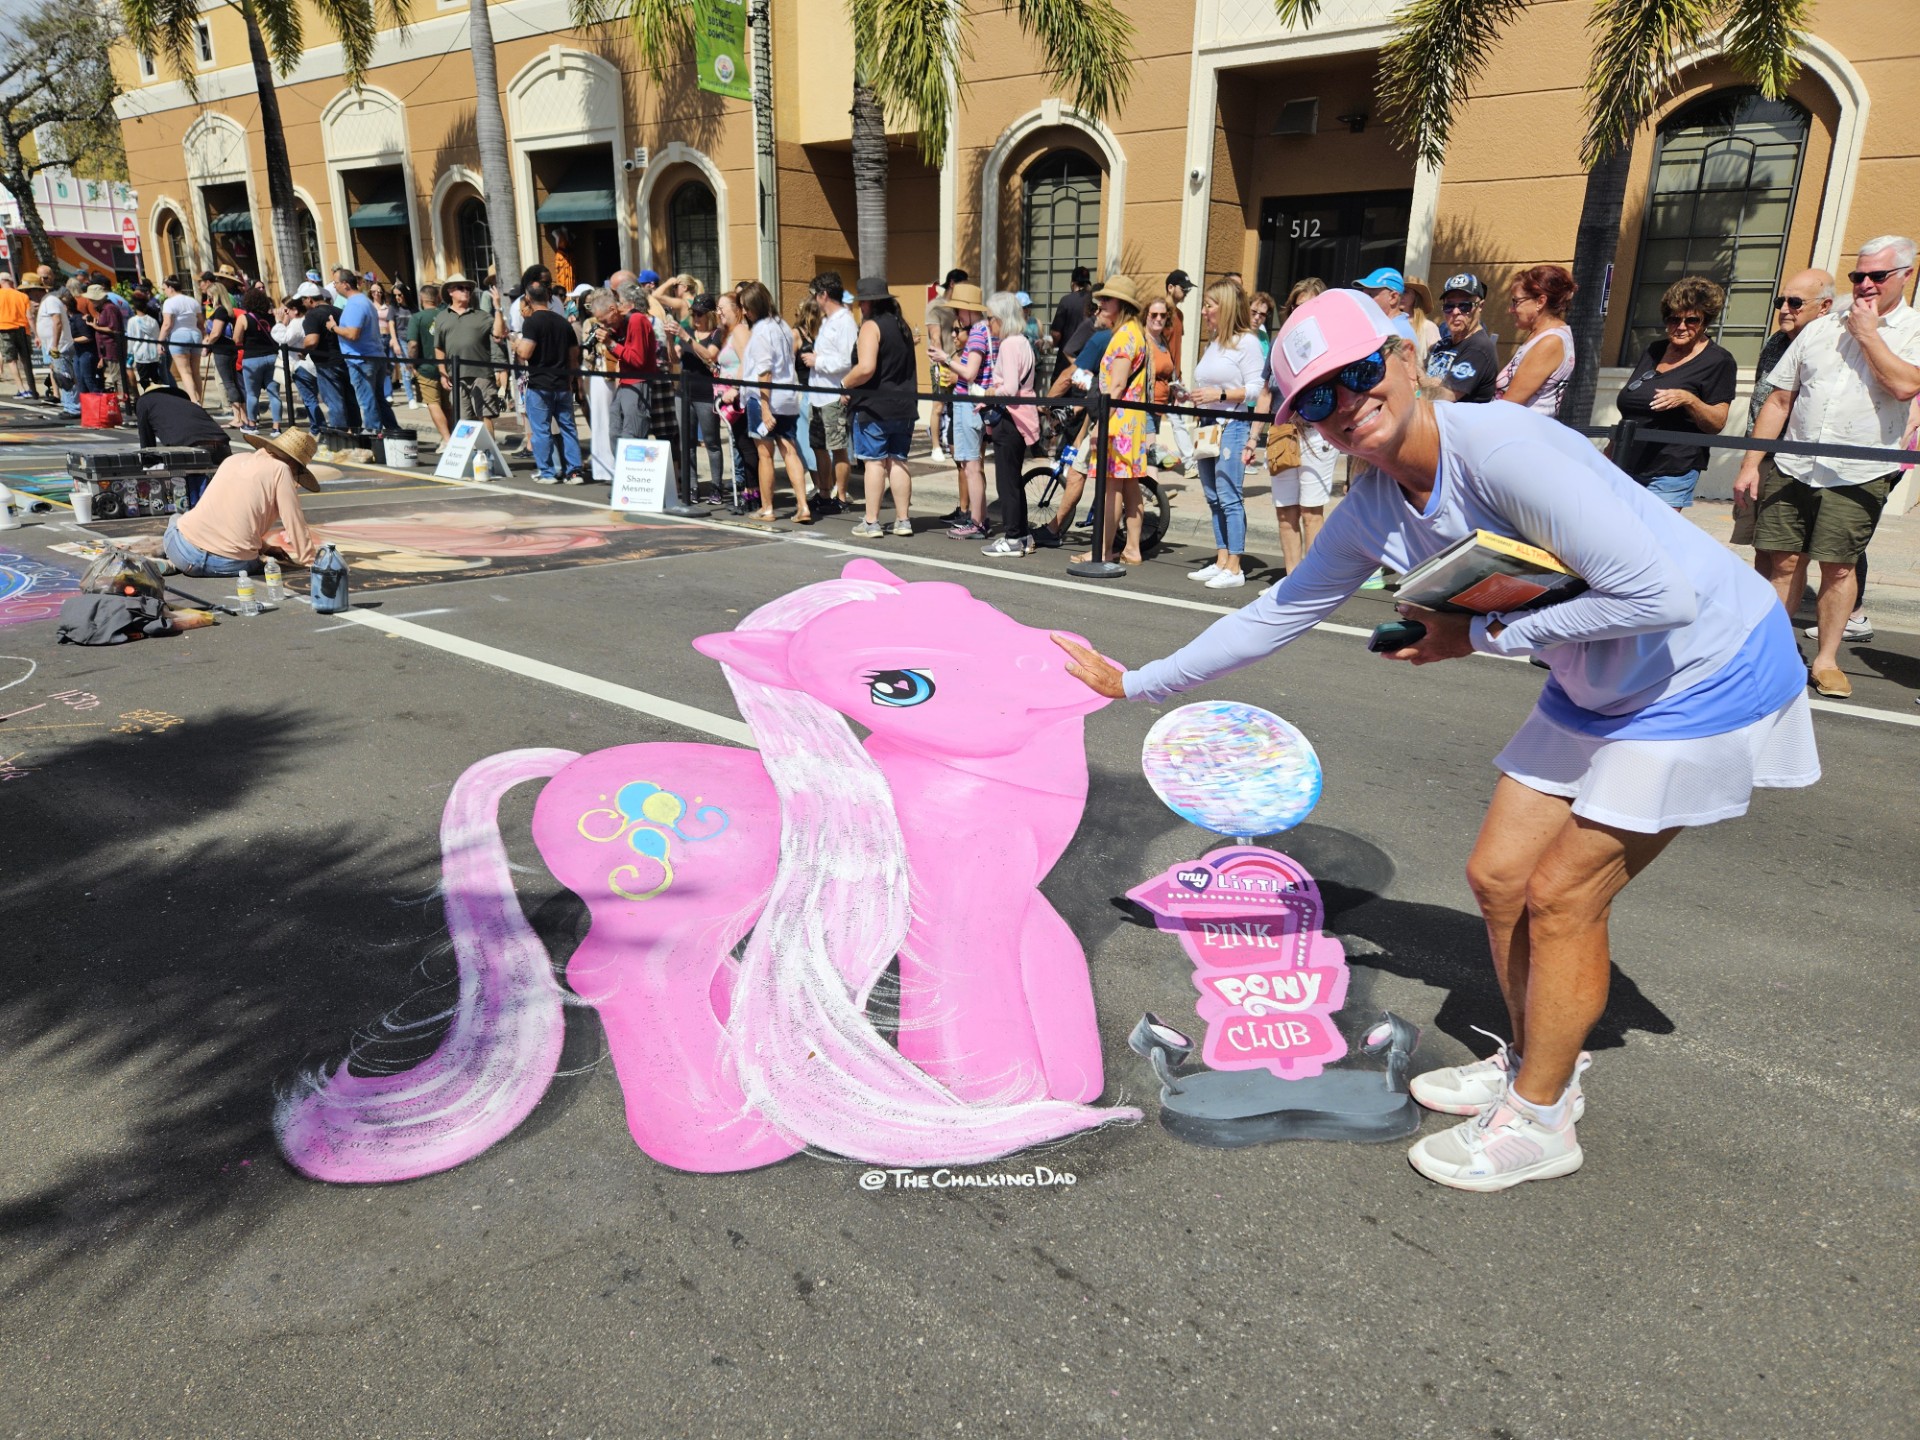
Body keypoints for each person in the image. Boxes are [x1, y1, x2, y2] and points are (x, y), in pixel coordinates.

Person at [1052, 288, 1819, 1193]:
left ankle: (1539, 1121)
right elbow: (1278, 612)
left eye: (1360, 373)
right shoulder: (1377, 501)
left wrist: (1478, 637)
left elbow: (1664, 598)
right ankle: (1540, 1062)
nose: (1344, 405)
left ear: (1407, 360)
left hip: (1704, 671)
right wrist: (1136, 682)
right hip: (1598, 677)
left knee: (1562, 896)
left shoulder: (1504, 449)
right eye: (1313, 399)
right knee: (1500, 877)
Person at [1738, 237, 1920, 700]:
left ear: (1905, 275)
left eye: (1876, 276)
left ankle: (1826, 661)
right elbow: (1780, 399)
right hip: (1794, 462)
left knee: (1838, 569)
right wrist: (1751, 464)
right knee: (1782, 561)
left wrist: (1867, 333)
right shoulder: (1820, 328)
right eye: (1858, 275)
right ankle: (1773, 653)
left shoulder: (1912, 330)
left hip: (1857, 471)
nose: (1864, 284)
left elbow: (1903, 386)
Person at [1610, 276, 1735, 509]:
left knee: (1653, 537)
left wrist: (1689, 400)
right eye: (1673, 319)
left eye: (1691, 320)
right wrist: (1608, 457)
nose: (1680, 326)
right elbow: (1631, 411)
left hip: (1671, 469)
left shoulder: (1718, 360)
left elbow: (1717, 422)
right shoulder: (1654, 350)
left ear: (1706, 321)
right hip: (1625, 462)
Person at [1248, 277, 1333, 578]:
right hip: (1282, 432)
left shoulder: (1330, 343)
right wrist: (1252, 439)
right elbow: (1265, 392)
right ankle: (1292, 580)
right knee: (1285, 512)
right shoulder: (1280, 341)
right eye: (1296, 306)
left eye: (1308, 306)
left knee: (1311, 513)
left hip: (1317, 433)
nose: (1300, 312)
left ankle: (1313, 582)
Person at [1183, 281, 1264, 589]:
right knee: (1213, 495)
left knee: (1230, 495)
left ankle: (1235, 566)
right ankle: (1220, 559)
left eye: (1209, 305)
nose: (1204, 312)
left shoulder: (1248, 342)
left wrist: (1220, 393)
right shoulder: (1214, 342)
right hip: (1207, 425)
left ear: (1226, 307)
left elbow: (1256, 389)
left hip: (1233, 425)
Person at [164, 429, 325, 577]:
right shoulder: (281, 470)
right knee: (257, 561)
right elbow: (293, 521)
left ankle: (174, 562)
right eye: (298, 472)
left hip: (179, 547)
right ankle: (183, 564)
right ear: (293, 464)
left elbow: (224, 515)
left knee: (177, 519)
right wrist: (310, 561)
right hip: (226, 564)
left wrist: (266, 548)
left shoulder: (233, 459)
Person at [1074, 275, 1152, 566]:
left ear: (1121, 304)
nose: (1101, 304)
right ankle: (1132, 548)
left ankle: (1103, 550)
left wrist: (1099, 425)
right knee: (1130, 487)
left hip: (1117, 424)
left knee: (1110, 490)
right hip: (1132, 422)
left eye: (1107, 299)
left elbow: (1116, 387)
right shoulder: (1136, 332)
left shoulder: (1123, 337)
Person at [843, 275, 918, 538]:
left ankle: (872, 521)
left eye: (861, 303)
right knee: (898, 461)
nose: (859, 308)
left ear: (868, 303)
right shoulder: (902, 326)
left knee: (874, 463)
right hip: (904, 405)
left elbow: (866, 368)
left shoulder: (871, 327)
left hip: (874, 406)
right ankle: (903, 520)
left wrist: (845, 383)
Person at [739, 280, 811, 524]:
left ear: (754, 307)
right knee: (789, 450)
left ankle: (767, 508)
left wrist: (765, 407)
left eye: (746, 308)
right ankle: (802, 505)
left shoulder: (760, 332)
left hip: (765, 398)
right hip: (787, 395)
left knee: (765, 454)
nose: (745, 313)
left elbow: (764, 371)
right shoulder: (782, 325)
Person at [928, 282, 995, 538]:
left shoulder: (977, 333)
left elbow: (969, 373)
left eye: (958, 310)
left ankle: (977, 522)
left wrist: (945, 358)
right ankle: (980, 520)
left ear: (969, 311)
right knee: (972, 465)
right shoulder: (986, 330)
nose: (956, 316)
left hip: (968, 405)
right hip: (972, 404)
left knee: (971, 466)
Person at [980, 289, 1040, 557]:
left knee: (1006, 482)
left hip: (1010, 416)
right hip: (1022, 415)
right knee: (1013, 480)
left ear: (1002, 318)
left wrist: (991, 391)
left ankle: (1014, 537)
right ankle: (1022, 535)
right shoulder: (1023, 342)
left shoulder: (1008, 344)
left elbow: (1011, 388)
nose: (988, 323)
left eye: (990, 317)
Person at [513, 279, 584, 484]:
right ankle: (574, 471)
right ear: (548, 297)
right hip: (562, 383)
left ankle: (547, 472)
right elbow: (574, 355)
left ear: (527, 298)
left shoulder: (532, 322)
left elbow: (525, 352)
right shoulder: (563, 322)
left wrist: (516, 344)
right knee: (568, 428)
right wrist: (570, 380)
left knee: (541, 430)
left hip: (540, 384)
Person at [805, 271, 857, 511]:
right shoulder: (827, 321)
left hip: (833, 394)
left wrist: (818, 361)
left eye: (816, 295)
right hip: (817, 394)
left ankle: (842, 497)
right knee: (818, 446)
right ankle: (824, 493)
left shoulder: (845, 321)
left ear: (824, 295)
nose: (815, 300)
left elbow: (847, 361)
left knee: (838, 447)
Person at [1495, 265, 1577, 416]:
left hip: (1522, 432)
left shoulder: (1550, 342)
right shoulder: (1540, 336)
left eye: (1516, 301)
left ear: (1540, 301)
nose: (1511, 309)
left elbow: (1509, 404)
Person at [434, 276, 501, 436]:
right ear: (450, 291)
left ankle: (489, 454)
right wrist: (443, 374)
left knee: (484, 415)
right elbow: (439, 348)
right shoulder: (442, 317)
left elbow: (499, 333)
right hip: (456, 377)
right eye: (461, 288)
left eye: (468, 289)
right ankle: (470, 455)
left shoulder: (482, 315)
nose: (466, 291)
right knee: (463, 420)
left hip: (482, 375)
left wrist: (498, 308)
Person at [331, 270, 396, 433]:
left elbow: (353, 334)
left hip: (361, 360)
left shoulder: (355, 304)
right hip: (374, 356)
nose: (335, 287)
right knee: (379, 400)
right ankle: (394, 432)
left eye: (336, 283)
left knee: (368, 401)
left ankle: (373, 435)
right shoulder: (365, 302)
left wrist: (333, 327)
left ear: (345, 284)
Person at [1420, 273, 1499, 404]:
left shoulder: (1478, 348)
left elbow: (1447, 395)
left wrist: (1419, 385)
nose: (1455, 312)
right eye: (1449, 306)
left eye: (1465, 306)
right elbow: (1417, 373)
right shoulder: (1442, 344)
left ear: (1480, 306)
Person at [681, 294, 727, 503]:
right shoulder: (688, 332)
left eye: (699, 313)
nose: (696, 317)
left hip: (706, 394)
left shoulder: (717, 333)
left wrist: (688, 339)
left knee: (712, 442)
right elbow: (675, 358)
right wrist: (670, 340)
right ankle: (692, 487)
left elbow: (710, 355)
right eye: (693, 313)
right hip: (684, 393)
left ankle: (716, 487)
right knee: (688, 443)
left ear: (708, 315)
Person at [604, 278, 657, 444]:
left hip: (637, 383)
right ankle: (621, 468)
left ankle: (631, 469)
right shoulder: (627, 322)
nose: (616, 305)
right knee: (615, 432)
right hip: (626, 382)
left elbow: (637, 359)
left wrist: (611, 344)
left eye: (618, 301)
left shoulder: (637, 320)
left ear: (630, 303)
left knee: (632, 435)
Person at [301, 279, 357, 432]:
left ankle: (341, 438)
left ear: (309, 299)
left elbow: (312, 340)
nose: (302, 303)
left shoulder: (312, 315)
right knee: (350, 400)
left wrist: (302, 350)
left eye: (303, 300)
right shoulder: (338, 311)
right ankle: (357, 433)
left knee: (335, 402)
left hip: (326, 364)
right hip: (344, 360)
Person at [135, 379, 232, 459]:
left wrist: (148, 463)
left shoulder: (144, 402)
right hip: (222, 442)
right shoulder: (185, 402)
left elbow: (147, 443)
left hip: (190, 447)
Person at [1162, 269, 1198, 477]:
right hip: (1160, 376)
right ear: (1170, 287)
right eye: (1183, 289)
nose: (1185, 293)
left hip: (1173, 377)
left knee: (1177, 419)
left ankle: (1189, 461)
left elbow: (1176, 346)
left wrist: (1178, 375)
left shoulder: (1179, 315)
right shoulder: (1161, 313)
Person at [405, 283, 451, 443]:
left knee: (433, 403)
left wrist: (411, 363)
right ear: (438, 298)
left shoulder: (417, 318)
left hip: (426, 368)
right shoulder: (446, 314)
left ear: (422, 299)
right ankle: (450, 435)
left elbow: (413, 344)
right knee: (447, 404)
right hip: (447, 367)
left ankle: (447, 439)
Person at [232, 287, 282, 433]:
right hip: (272, 357)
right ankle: (276, 427)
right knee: (274, 393)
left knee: (252, 393)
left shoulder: (244, 318)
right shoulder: (271, 318)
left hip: (252, 358)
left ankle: (252, 424)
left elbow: (236, 338)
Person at [275, 288, 322, 431]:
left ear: (295, 310)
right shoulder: (307, 319)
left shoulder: (296, 323)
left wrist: (279, 323)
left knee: (309, 400)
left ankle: (318, 428)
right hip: (310, 364)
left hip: (301, 366)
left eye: (287, 310)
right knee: (310, 399)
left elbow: (284, 340)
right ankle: (317, 427)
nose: (286, 313)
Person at [36, 281, 79, 416]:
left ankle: (73, 408)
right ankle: (70, 406)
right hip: (58, 346)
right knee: (63, 376)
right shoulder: (50, 301)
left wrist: (54, 345)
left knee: (64, 377)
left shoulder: (51, 301)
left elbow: (57, 322)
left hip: (60, 346)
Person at [159, 275, 204, 404]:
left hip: (179, 335)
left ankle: (194, 401)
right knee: (196, 371)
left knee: (185, 372)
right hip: (195, 335)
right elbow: (201, 322)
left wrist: (160, 341)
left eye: (164, 289)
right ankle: (200, 400)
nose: (165, 292)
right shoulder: (192, 301)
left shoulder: (169, 302)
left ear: (170, 288)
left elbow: (167, 324)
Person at [1050, 265, 1094, 383]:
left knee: (1060, 397)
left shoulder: (1066, 301)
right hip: (1087, 359)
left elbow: (1056, 333)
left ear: (1073, 283)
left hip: (1065, 359)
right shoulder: (1094, 302)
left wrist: (1053, 344)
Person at [1355, 267, 1420, 345]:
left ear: (1393, 297)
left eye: (1370, 294)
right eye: (1364, 294)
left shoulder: (1397, 333)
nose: (1364, 299)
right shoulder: (1386, 327)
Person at [86, 284, 125, 399]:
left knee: (117, 376)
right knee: (114, 376)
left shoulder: (109, 308)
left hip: (113, 347)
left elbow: (114, 329)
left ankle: (125, 400)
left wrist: (96, 327)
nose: (91, 301)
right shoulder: (103, 309)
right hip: (106, 348)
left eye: (93, 299)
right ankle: (123, 399)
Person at [0, 274, 34, 399]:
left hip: (4, 329)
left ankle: (22, 389)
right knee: (26, 360)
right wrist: (36, 333)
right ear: (11, 282)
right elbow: (29, 316)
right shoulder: (22, 296)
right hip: (23, 330)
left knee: (11, 361)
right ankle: (32, 388)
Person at [125, 289, 164, 390]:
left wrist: (129, 355)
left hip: (140, 354)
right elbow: (157, 336)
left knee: (144, 379)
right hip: (153, 353)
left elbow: (131, 340)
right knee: (156, 377)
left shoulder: (132, 321)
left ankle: (148, 394)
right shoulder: (153, 321)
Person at [1404, 278, 1441, 367]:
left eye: (1405, 292)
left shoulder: (1428, 326)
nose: (1400, 295)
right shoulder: (1391, 323)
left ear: (1416, 297)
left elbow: (1437, 358)